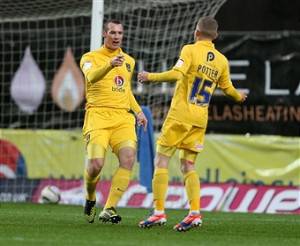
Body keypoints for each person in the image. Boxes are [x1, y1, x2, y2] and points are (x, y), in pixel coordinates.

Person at [138, 16, 247, 232]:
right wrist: (238, 96)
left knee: (161, 161)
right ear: (215, 36)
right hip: (199, 120)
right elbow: (228, 89)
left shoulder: (189, 50)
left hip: (180, 116)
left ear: (196, 33)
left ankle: (159, 212)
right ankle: (194, 213)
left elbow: (176, 74)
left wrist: (149, 76)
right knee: (188, 166)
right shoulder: (221, 60)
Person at [80, 20, 147, 224]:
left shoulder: (128, 61)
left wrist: (137, 111)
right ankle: (91, 196)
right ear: (104, 34)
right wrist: (109, 65)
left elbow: (125, 90)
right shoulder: (90, 58)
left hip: (122, 119)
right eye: (112, 32)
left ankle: (109, 208)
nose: (116, 36)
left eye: (120, 33)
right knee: (96, 165)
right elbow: (91, 77)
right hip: (97, 117)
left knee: (128, 158)